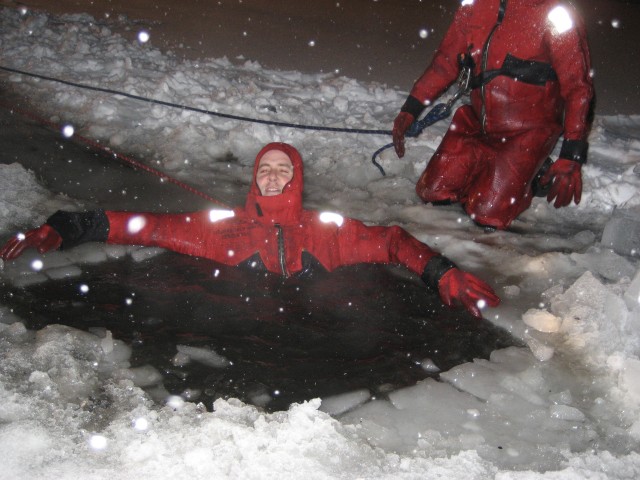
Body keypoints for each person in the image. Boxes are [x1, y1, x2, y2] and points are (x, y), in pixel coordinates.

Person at [0, 142, 500, 318]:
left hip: (319, 323)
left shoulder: (327, 232)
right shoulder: (221, 230)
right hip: (242, 317)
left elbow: (391, 241)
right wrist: (64, 228)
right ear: (255, 180)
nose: (274, 175)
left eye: (284, 169)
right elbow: (145, 227)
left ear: (297, 179)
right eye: (266, 169)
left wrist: (439, 272)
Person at [392, 0, 594, 230]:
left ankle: (534, 175)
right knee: (433, 191)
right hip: (478, 125)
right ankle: (491, 170)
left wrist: (571, 154)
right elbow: (445, 62)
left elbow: (579, 88)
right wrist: (410, 109)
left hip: (528, 131)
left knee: (487, 215)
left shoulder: (555, 12)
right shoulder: (474, 5)